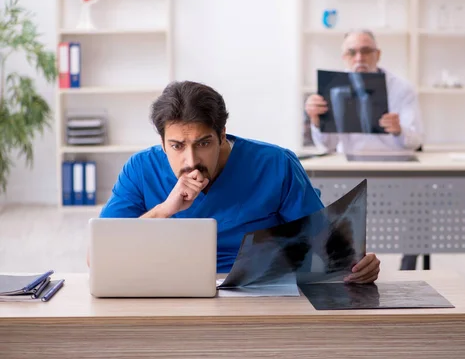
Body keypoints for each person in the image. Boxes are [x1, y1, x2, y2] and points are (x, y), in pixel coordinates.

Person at [91, 80, 380, 283]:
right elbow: (99, 257)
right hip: (165, 289)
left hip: (258, 291)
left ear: (222, 135)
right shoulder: (140, 168)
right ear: (162, 143)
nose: (190, 160)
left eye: (203, 143)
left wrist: (357, 265)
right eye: (177, 146)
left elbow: (324, 246)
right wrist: (165, 210)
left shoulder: (276, 164)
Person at [304, 29, 425, 270]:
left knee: (419, 210)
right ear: (344, 57)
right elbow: (326, 145)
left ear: (378, 54)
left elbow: (416, 140)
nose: (359, 58)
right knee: (327, 208)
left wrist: (400, 129)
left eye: (366, 51)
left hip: (397, 171)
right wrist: (315, 120)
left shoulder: (402, 89)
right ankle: (345, 268)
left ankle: (408, 268)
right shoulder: (333, 87)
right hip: (352, 171)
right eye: (352, 52)